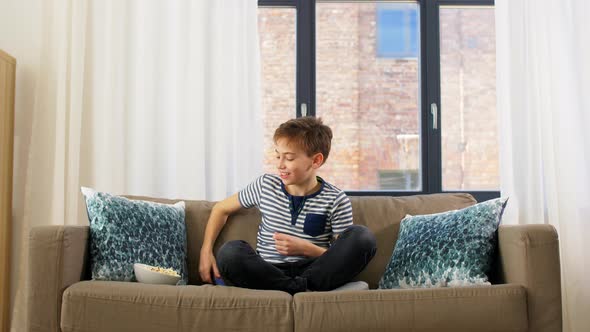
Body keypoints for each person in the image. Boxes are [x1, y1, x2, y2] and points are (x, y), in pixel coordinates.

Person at [199, 116, 377, 294]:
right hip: (268, 271)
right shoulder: (265, 185)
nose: (280, 165)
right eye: (278, 156)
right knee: (230, 252)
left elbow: (341, 257)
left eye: (289, 158)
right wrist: (205, 252)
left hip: (314, 271)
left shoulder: (336, 199)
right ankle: (299, 290)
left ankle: (293, 289)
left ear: (316, 161)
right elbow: (220, 209)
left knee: (362, 237)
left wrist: (307, 249)